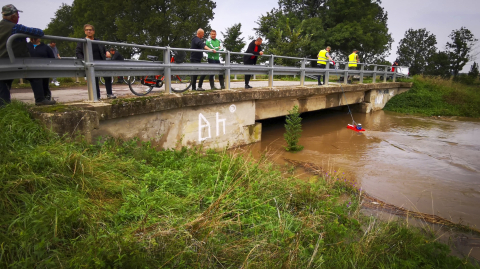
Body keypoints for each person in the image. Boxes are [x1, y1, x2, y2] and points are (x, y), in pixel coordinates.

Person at [0, 4, 55, 106]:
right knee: (35, 74)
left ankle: (4, 109)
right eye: (18, 15)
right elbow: (39, 32)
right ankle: (40, 99)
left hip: (1, 63)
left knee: (3, 84)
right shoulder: (16, 28)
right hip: (15, 61)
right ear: (13, 16)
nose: (18, 17)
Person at [75, 24, 116, 99]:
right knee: (94, 80)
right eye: (87, 30)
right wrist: (84, 61)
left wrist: (107, 52)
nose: (89, 31)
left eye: (90, 30)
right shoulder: (82, 41)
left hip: (101, 62)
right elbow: (78, 52)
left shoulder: (98, 41)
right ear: (85, 32)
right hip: (90, 63)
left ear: (93, 31)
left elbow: (103, 50)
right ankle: (97, 96)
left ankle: (109, 94)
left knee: (107, 77)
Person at [28, 37, 55, 102]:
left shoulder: (45, 47)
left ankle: (46, 98)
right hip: (31, 68)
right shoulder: (27, 47)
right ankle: (40, 99)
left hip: (44, 68)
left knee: (45, 84)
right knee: (36, 83)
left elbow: (52, 58)